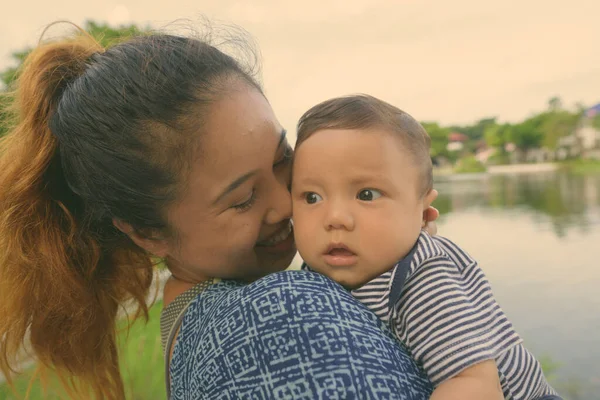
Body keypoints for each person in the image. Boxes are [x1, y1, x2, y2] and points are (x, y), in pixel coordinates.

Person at [0, 24, 440, 399]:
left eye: (282, 157)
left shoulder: (191, 324)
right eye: (243, 198)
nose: (288, 203)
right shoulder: (279, 318)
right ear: (148, 232)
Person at [291, 94, 562, 400]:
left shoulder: (422, 279)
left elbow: (475, 384)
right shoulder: (323, 268)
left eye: (366, 194)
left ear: (423, 213)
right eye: (312, 197)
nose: (335, 218)